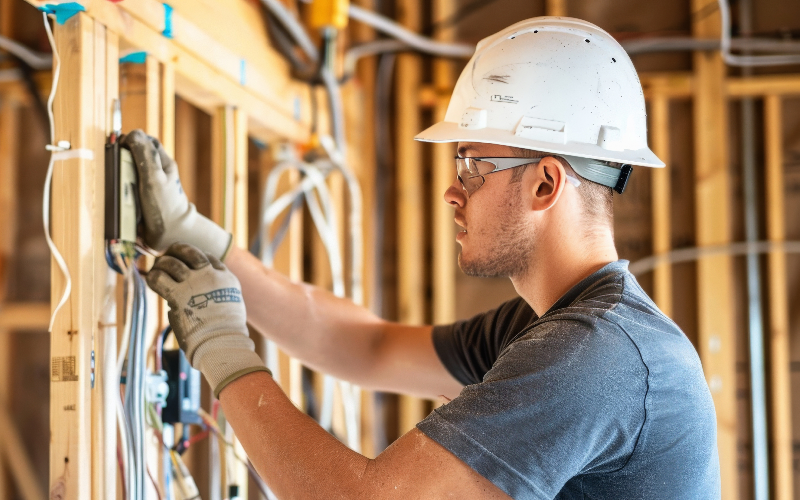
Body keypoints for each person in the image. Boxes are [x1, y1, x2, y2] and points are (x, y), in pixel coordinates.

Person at [124, 16, 720, 500]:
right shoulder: (549, 328)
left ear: (545, 185)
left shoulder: (596, 357)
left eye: (473, 166)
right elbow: (367, 346)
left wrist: (224, 351)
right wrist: (199, 238)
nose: (453, 191)